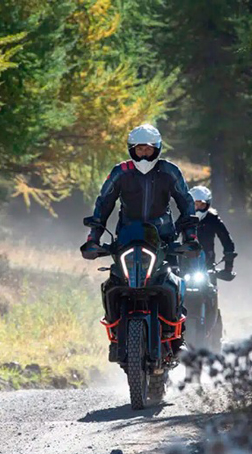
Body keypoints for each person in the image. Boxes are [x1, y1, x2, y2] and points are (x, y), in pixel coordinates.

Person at [80, 124, 198, 357]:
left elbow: (186, 202)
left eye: (148, 149)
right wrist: (94, 237)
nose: (144, 154)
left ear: (157, 149)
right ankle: (115, 336)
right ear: (131, 150)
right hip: (127, 236)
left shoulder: (169, 171)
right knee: (114, 282)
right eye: (139, 149)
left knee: (174, 281)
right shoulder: (120, 172)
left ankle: (178, 335)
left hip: (163, 237)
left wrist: (190, 236)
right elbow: (103, 204)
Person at [188, 185, 236, 281]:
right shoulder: (182, 217)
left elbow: (227, 240)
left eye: (202, 205)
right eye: (195, 204)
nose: (198, 208)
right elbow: (170, 236)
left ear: (208, 205)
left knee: (210, 291)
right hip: (184, 264)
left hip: (207, 266)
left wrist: (228, 267)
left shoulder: (213, 219)